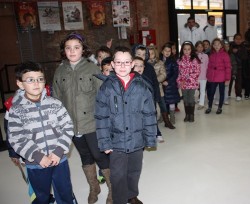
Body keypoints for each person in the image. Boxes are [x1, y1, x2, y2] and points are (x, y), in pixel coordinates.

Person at [52, 33, 111, 204]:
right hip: (71, 124)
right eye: (68, 48)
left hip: (92, 123)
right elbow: (56, 98)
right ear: (64, 50)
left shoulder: (92, 68)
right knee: (85, 157)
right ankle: (94, 187)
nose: (72, 51)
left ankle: (113, 189)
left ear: (83, 49)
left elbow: (102, 96)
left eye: (76, 47)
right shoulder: (60, 70)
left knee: (99, 156)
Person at [95, 46, 157, 204]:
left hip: (137, 140)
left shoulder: (142, 87)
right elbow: (101, 117)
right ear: (113, 65)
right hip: (116, 143)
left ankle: (132, 195)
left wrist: (150, 138)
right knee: (117, 175)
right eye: (119, 62)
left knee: (134, 172)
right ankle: (120, 200)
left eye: (126, 62)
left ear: (132, 65)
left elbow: (149, 114)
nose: (122, 66)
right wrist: (104, 142)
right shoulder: (106, 88)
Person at [8, 61, 76, 204]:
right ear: (20, 84)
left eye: (40, 79)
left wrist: (58, 151)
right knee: (41, 196)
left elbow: (68, 127)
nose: (36, 83)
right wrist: (37, 155)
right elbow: (16, 137)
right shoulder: (16, 110)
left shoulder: (55, 104)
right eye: (30, 80)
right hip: (36, 163)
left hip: (59, 160)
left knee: (65, 192)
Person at [148, 44, 175, 131]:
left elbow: (163, 74)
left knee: (162, 104)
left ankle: (167, 121)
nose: (150, 55)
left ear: (155, 53)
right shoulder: (145, 64)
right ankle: (153, 124)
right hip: (148, 88)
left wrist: (155, 80)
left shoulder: (160, 63)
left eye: (152, 53)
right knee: (152, 106)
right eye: (148, 54)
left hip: (158, 87)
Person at [205, 38, 231, 114]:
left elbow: (228, 67)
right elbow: (209, 66)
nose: (217, 46)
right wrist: (208, 76)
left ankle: (220, 107)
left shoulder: (225, 54)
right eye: (215, 44)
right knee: (211, 92)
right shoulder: (212, 55)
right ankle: (209, 106)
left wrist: (227, 79)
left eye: (218, 44)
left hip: (222, 77)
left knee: (221, 93)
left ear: (221, 45)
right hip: (213, 77)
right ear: (212, 45)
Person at [177, 41, 201, 122]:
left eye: (188, 49)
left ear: (191, 50)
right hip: (183, 84)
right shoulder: (180, 60)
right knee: (185, 99)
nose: (186, 51)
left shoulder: (194, 60)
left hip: (192, 83)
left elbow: (197, 72)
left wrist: (186, 79)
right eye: (185, 49)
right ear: (182, 50)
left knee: (191, 99)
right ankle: (187, 115)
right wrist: (180, 80)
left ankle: (191, 115)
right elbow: (178, 72)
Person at [160, 42, 181, 124]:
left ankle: (172, 116)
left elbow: (175, 73)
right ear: (162, 51)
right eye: (165, 50)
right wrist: (161, 81)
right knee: (163, 101)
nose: (167, 52)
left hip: (171, 85)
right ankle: (163, 116)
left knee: (171, 101)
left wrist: (168, 81)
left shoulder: (173, 61)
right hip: (161, 85)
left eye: (169, 51)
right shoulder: (159, 61)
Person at [195, 41, 208, 110]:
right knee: (194, 90)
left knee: (202, 90)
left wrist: (207, 75)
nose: (200, 48)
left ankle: (201, 104)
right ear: (196, 47)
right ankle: (193, 101)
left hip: (203, 76)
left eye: (201, 47)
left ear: (203, 48)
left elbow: (207, 66)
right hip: (195, 77)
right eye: (198, 47)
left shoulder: (206, 56)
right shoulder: (193, 56)